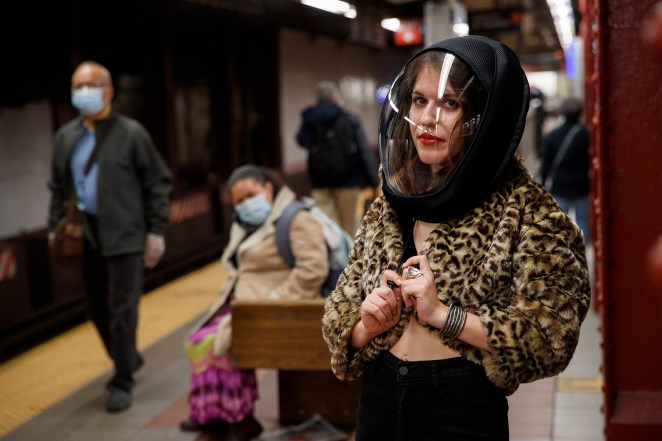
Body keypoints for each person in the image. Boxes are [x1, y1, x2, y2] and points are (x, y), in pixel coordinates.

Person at [322, 35, 591, 440]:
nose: (428, 119)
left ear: (484, 116)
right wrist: (366, 325)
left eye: (450, 104)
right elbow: (339, 314)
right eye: (419, 100)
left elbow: (550, 335)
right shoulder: (393, 200)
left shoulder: (527, 213)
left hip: (460, 406)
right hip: (378, 397)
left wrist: (445, 316)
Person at [47, 61, 172, 413]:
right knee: (97, 310)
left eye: (91, 84)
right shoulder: (66, 137)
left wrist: (156, 230)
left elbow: (158, 182)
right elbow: (57, 187)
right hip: (84, 236)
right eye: (77, 86)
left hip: (126, 235)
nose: (82, 91)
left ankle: (122, 380)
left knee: (123, 309)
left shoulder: (131, 133)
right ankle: (127, 356)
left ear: (109, 91)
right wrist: (53, 225)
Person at [181, 165, 328, 440]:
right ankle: (216, 415)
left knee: (217, 343)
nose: (245, 204)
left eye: (250, 195)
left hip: (275, 306)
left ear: (268, 189)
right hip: (244, 303)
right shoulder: (245, 225)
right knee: (199, 340)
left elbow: (313, 270)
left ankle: (237, 417)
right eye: (238, 201)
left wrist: (274, 302)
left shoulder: (296, 218)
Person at [296, 81, 379, 236]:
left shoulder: (310, 119)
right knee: (348, 227)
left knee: (327, 228)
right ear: (335, 98)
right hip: (347, 181)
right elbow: (363, 151)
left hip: (319, 181)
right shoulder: (348, 119)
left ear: (317, 100)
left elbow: (301, 140)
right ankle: (348, 258)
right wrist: (373, 182)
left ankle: (333, 256)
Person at [540, 96, 591, 245]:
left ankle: (563, 252)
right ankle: (582, 252)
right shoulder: (586, 135)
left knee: (559, 224)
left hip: (560, 186)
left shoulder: (553, 135)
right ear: (580, 112)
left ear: (562, 113)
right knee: (583, 222)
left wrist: (544, 185)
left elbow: (546, 164)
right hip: (582, 186)